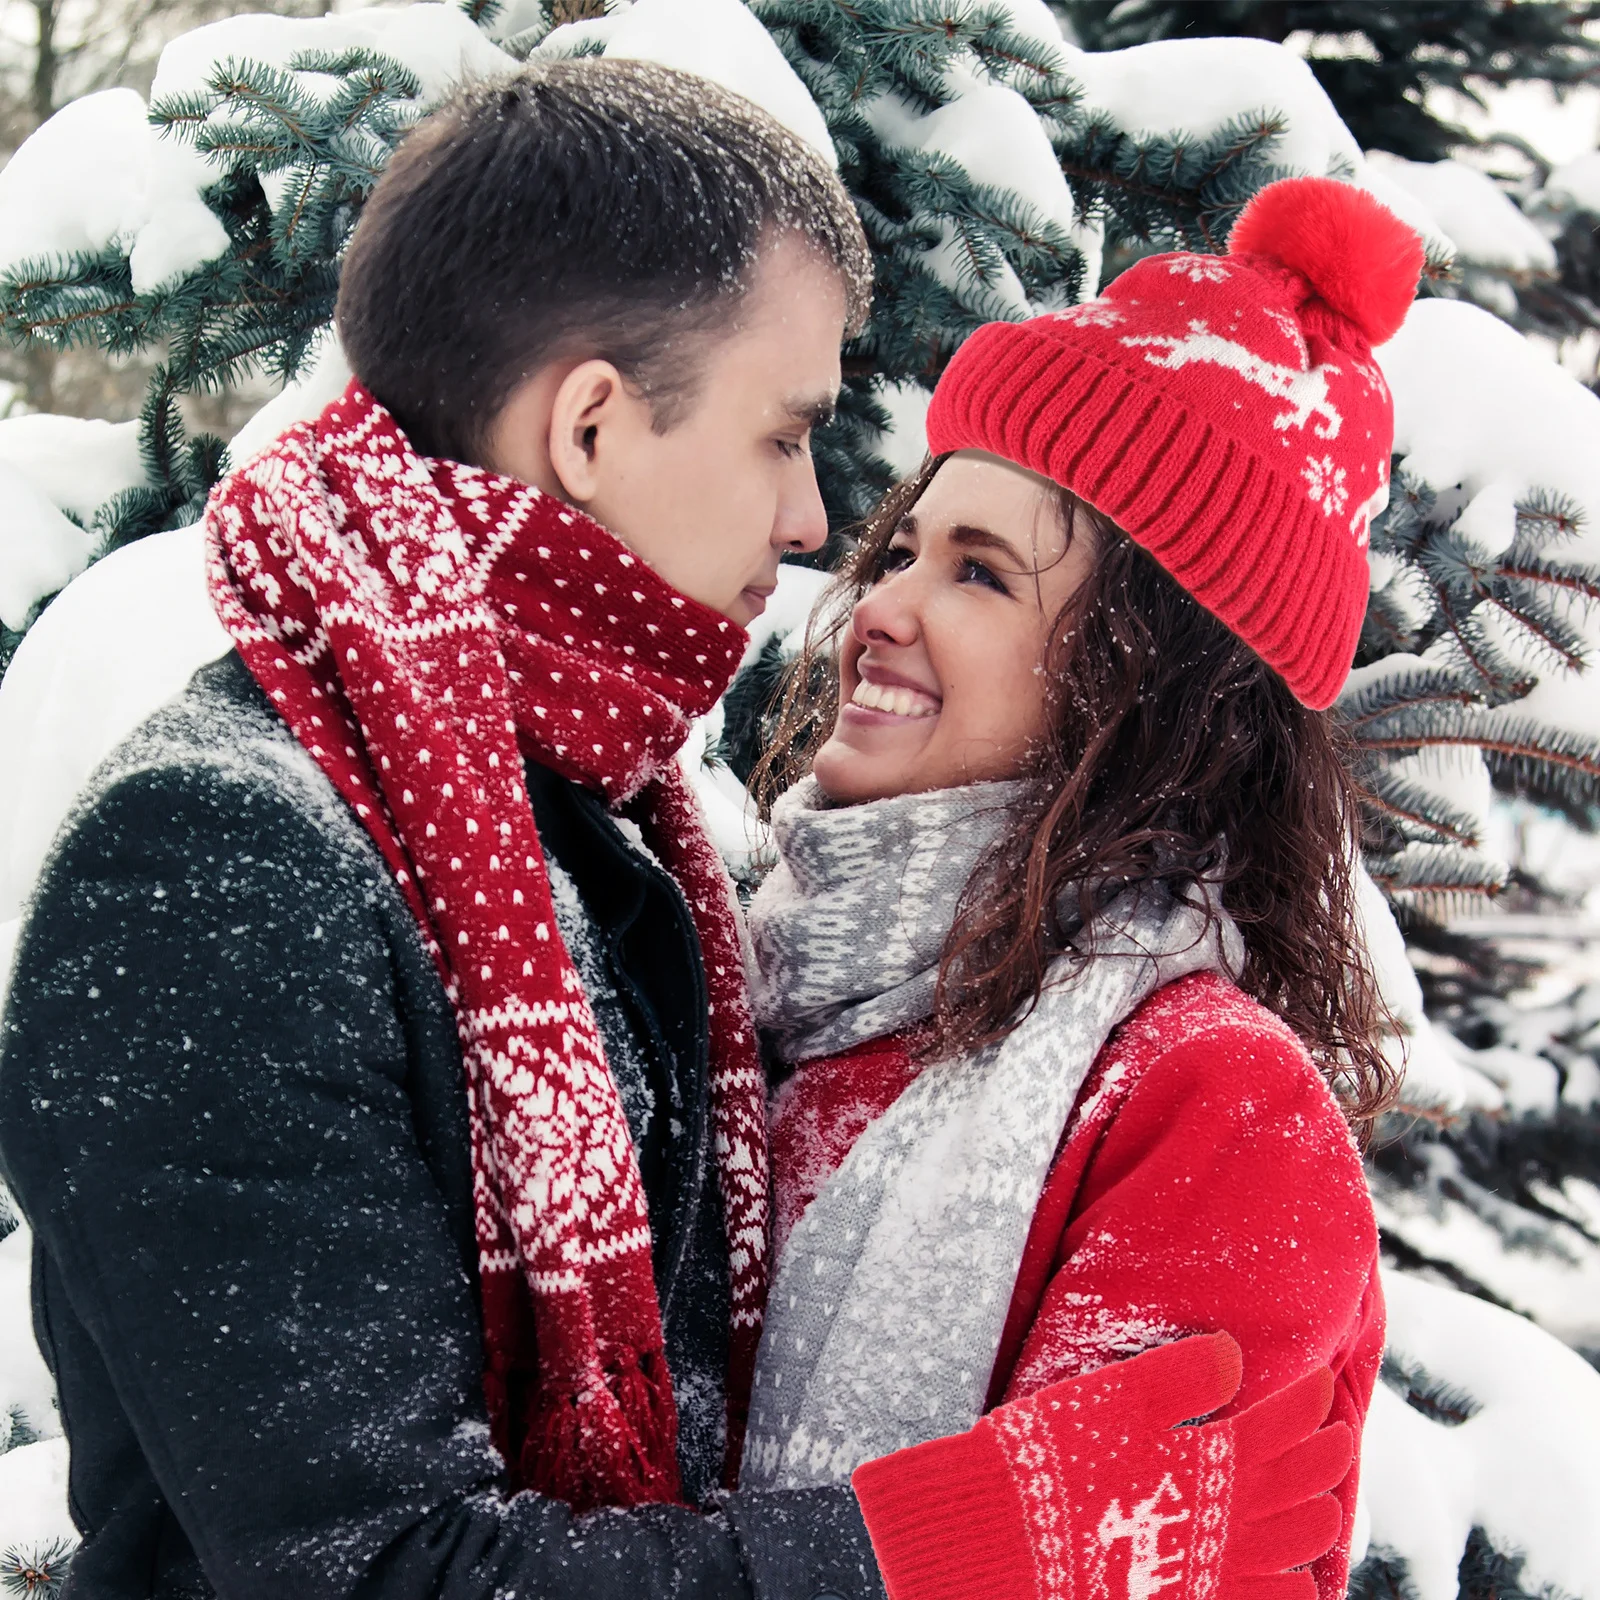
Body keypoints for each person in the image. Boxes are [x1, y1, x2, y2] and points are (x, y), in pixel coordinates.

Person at [0, 59, 1353, 1600]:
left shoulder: (601, 859)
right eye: (785, 436)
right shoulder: (227, 863)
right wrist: (941, 1545)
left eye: (977, 568)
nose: (821, 533)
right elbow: (372, 1571)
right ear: (591, 428)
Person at [740, 175, 1422, 1600]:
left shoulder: (1211, 1106)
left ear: (1142, 683)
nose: (881, 607)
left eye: (981, 576)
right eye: (905, 548)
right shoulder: (754, 972)